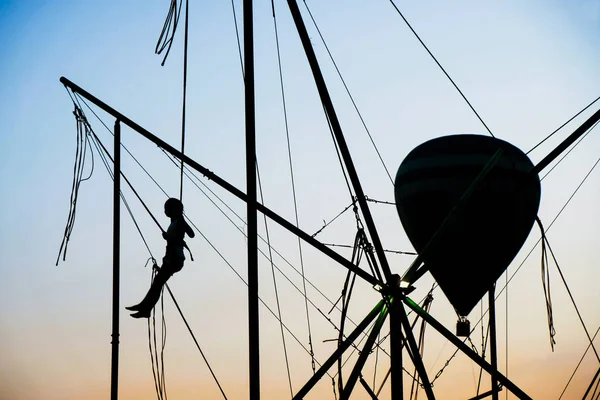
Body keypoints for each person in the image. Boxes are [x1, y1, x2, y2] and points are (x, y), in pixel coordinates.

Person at [127, 198, 195, 318]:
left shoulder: (179, 222)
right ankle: (144, 306)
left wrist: (169, 237)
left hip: (175, 259)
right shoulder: (175, 222)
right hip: (171, 259)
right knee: (157, 283)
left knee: (157, 283)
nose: (165, 211)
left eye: (167, 209)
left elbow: (191, 234)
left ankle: (145, 309)